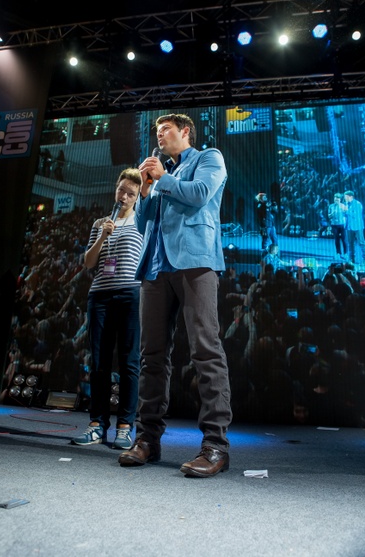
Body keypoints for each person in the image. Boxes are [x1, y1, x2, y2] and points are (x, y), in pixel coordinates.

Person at [118, 113, 232, 477]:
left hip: (196, 262)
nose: (159, 135)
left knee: (205, 350)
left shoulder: (208, 158)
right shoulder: (160, 174)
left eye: (165, 129)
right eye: (156, 131)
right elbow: (143, 222)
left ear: (185, 131)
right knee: (151, 356)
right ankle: (146, 440)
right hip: (155, 267)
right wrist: (145, 191)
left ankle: (215, 446)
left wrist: (163, 179)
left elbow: (199, 195)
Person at [71, 168, 143, 450]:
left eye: (130, 193)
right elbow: (89, 263)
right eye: (121, 190)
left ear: (138, 197)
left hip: (130, 294)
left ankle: (125, 427)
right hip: (100, 295)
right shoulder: (101, 222)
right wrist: (102, 236)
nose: (123, 196)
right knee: (100, 362)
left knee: (129, 362)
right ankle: (97, 424)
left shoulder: (143, 221)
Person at [342, 190, 365, 266]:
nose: (345, 198)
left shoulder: (357, 204)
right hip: (349, 227)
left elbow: (355, 215)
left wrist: (346, 210)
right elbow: (345, 214)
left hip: (357, 226)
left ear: (350, 196)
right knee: (350, 243)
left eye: (346, 197)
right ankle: (351, 258)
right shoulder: (347, 204)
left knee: (361, 242)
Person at [327, 192, 348, 260]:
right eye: (335, 199)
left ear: (340, 199)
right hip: (334, 225)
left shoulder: (343, 206)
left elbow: (347, 215)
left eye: (337, 199)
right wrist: (332, 214)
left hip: (342, 225)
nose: (336, 200)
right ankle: (338, 253)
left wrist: (344, 211)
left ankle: (345, 253)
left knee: (344, 239)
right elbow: (329, 216)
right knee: (336, 239)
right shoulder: (331, 206)